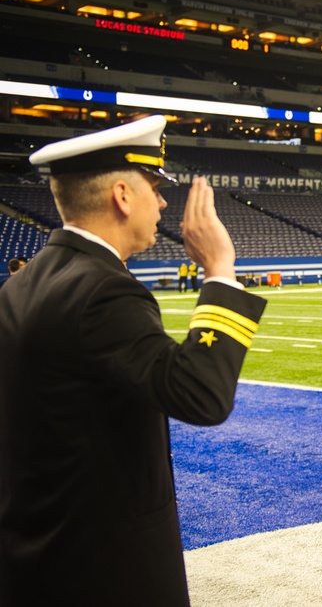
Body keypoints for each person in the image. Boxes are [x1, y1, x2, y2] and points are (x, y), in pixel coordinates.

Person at [0, 115, 267, 606]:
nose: (163, 202)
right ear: (123, 195)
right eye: (155, 186)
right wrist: (220, 272)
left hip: (36, 552)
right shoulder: (103, 289)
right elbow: (200, 395)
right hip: (102, 568)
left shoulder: (22, 282)